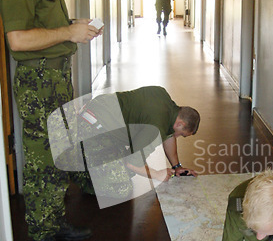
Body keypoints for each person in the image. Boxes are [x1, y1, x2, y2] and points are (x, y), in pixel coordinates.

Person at [0, 0, 102, 241]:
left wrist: (74, 25)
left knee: (60, 152)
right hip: (38, 81)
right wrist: (67, 32)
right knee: (43, 159)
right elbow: (17, 40)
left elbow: (44, 26)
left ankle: (54, 221)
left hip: (57, 77)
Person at [54, 86, 200, 205]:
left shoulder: (165, 101)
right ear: (180, 123)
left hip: (100, 118)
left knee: (126, 172)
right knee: (121, 188)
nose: (177, 136)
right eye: (181, 134)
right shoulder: (156, 128)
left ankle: (88, 162)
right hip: (93, 129)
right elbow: (132, 163)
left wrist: (177, 167)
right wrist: (157, 174)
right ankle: (78, 172)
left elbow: (169, 135)